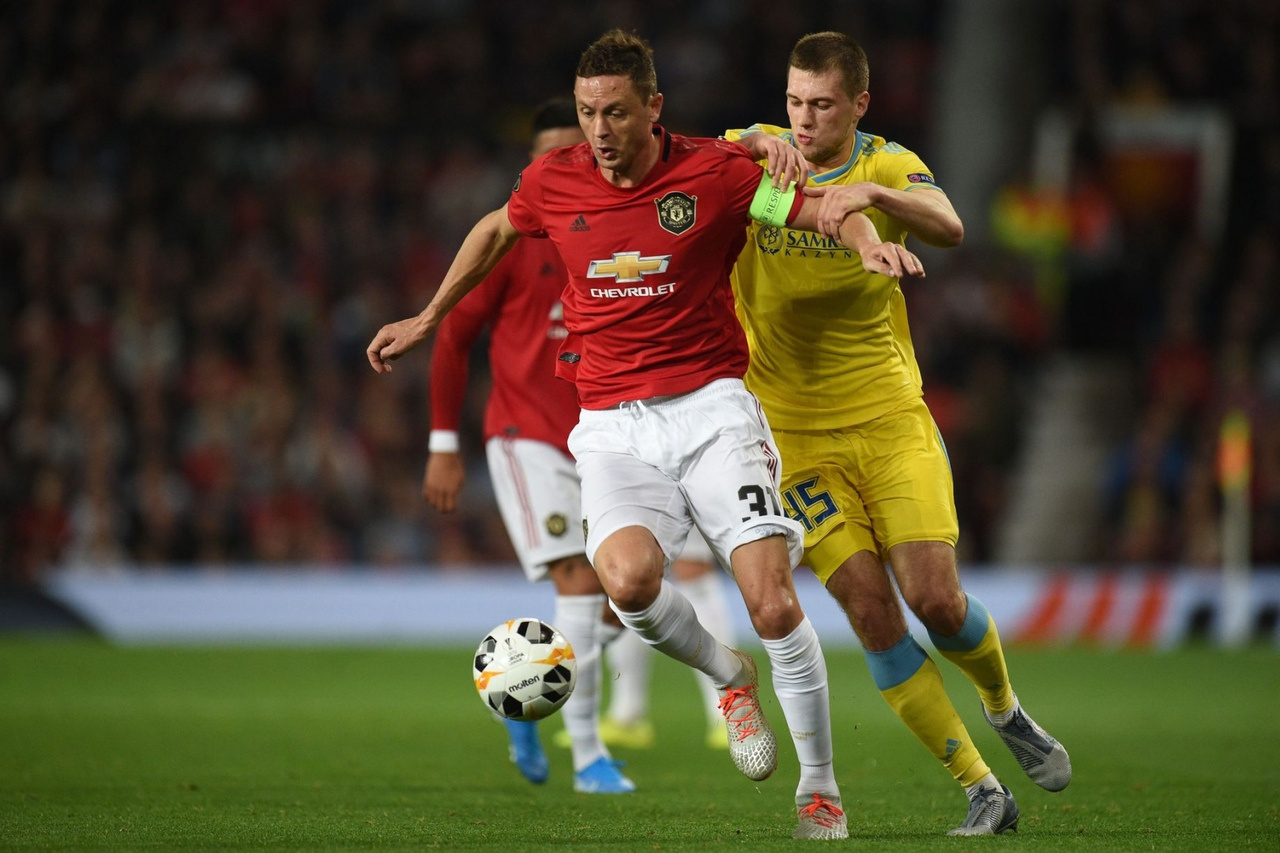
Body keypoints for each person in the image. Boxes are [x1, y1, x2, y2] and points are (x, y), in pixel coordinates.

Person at [368, 28, 920, 840]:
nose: (599, 129)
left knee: (772, 602)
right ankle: (728, 676)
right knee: (625, 583)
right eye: (588, 111)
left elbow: (811, 211)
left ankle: (820, 790)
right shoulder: (553, 180)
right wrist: (426, 317)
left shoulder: (715, 174)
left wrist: (867, 239)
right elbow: (494, 229)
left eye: (616, 112)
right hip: (612, 425)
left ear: (653, 107)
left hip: (713, 410)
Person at [725, 31, 1072, 836]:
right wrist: (757, 144)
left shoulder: (888, 163)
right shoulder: (758, 161)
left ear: (860, 105)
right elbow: (713, 159)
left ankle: (1004, 705)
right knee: (872, 611)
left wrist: (872, 201)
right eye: (793, 102)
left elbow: (949, 224)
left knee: (936, 600)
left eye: (821, 105)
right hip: (793, 441)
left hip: (888, 419)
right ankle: (981, 787)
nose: (804, 119)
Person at [424, 98, 733, 794]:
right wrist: (443, 441)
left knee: (627, 598)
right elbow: (454, 336)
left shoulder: (620, 235)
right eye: (554, 155)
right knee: (579, 581)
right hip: (528, 437)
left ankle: (522, 685)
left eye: (582, 150)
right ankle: (590, 754)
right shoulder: (511, 246)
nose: (573, 161)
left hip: (610, 437)